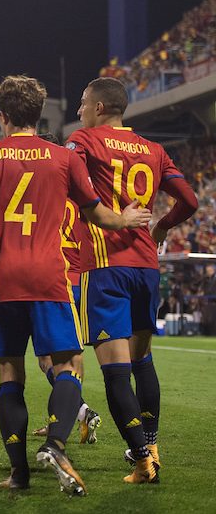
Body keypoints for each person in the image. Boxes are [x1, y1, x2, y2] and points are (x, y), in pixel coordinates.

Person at [0, 75, 152, 494]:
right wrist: (125, 219)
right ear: (38, 113)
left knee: (10, 373)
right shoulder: (64, 158)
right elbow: (96, 213)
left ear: (2, 116)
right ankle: (56, 443)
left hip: (3, 278)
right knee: (68, 366)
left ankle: (19, 474)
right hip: (50, 277)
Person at [67, 76, 198, 484]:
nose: (78, 111)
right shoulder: (155, 150)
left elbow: (61, 172)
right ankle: (151, 445)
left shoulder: (85, 141)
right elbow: (190, 201)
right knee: (143, 361)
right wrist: (162, 226)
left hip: (106, 267)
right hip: (146, 268)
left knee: (116, 372)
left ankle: (143, 463)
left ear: (99, 108)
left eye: (83, 103)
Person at [31, 133, 100, 444]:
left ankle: (79, 410)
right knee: (70, 358)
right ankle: (64, 416)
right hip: (78, 281)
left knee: (48, 359)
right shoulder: (78, 195)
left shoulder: (42, 194)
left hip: (53, 282)